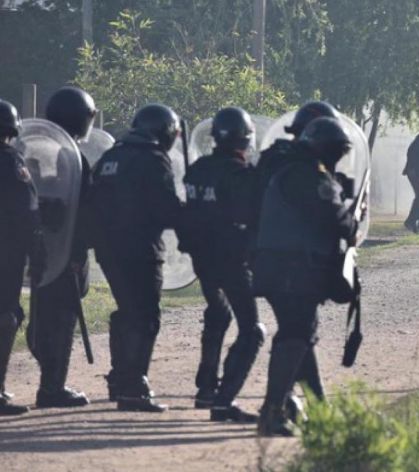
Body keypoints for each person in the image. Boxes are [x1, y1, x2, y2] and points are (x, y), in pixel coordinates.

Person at [252, 116, 357, 437]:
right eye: (336, 153)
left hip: (278, 267)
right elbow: (338, 221)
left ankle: (320, 408)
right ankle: (272, 412)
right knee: (296, 335)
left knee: (300, 333)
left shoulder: (289, 170)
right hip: (293, 269)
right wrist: (353, 217)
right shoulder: (310, 176)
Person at [89, 104, 183, 412]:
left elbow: (91, 203)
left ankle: (119, 379)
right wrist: (193, 217)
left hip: (109, 251)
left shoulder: (110, 158)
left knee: (127, 311)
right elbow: (167, 209)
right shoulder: (154, 160)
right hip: (142, 249)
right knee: (145, 317)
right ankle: (134, 386)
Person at [181, 108, 264, 422]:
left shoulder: (198, 168)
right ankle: (223, 400)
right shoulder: (239, 175)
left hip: (202, 260)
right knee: (252, 330)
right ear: (244, 138)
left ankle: (206, 387)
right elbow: (248, 216)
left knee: (217, 313)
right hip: (231, 260)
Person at [25, 87, 97, 409]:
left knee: (42, 316)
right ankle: (52, 387)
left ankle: (49, 381)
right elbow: (84, 211)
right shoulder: (74, 158)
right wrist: (81, 250)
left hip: (40, 251)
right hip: (66, 252)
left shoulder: (41, 151)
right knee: (62, 318)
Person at [0, 100, 43, 416]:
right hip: (5, 253)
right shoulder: (9, 161)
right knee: (6, 315)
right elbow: (26, 210)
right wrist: (36, 249)